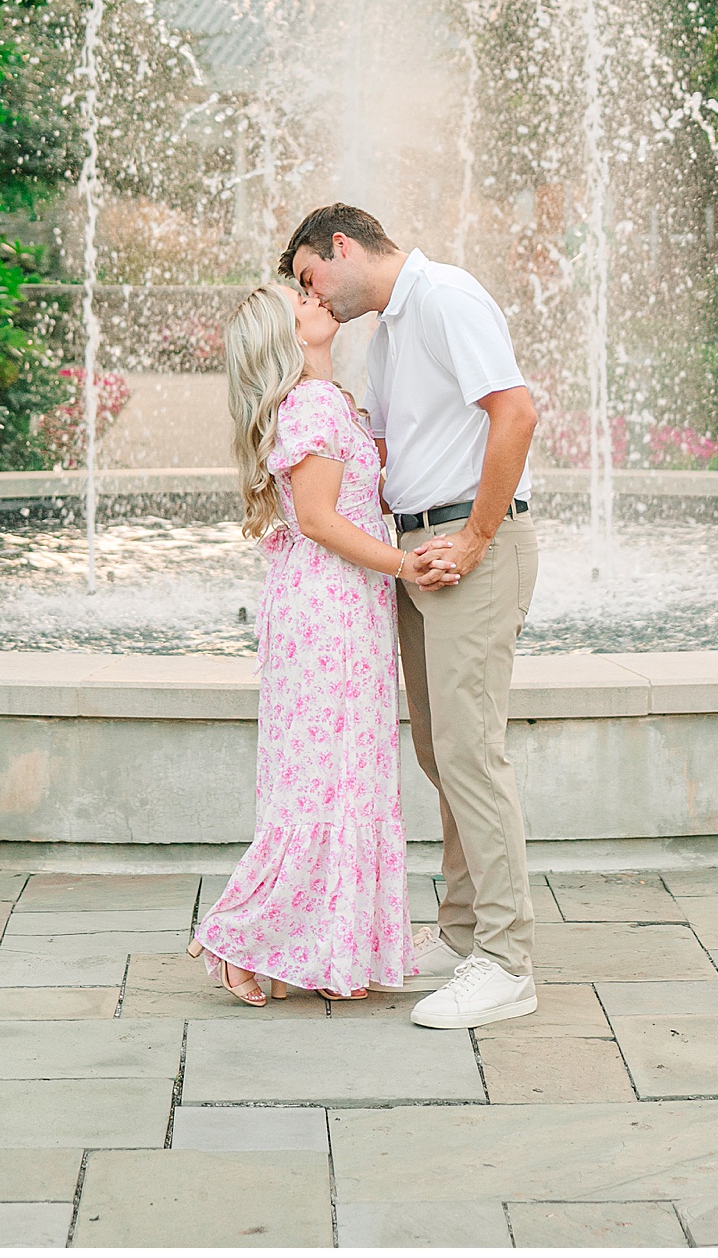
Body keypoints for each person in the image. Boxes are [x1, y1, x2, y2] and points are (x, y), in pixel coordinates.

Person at [279, 202, 541, 1030]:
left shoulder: (448, 297)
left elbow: (517, 412)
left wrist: (475, 538)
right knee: (439, 750)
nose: (310, 295)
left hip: (470, 546)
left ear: (341, 246)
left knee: (471, 750)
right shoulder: (391, 330)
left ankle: (506, 962)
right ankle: (466, 936)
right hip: (421, 550)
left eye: (308, 276)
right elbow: (381, 454)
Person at [189, 278, 430, 1005]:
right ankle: (237, 933)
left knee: (340, 773)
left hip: (330, 606)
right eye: (300, 301)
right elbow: (323, 519)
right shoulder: (317, 404)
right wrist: (405, 563)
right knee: (329, 775)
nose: (317, 298)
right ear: (285, 337)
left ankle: (332, 951)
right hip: (332, 608)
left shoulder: (325, 402)